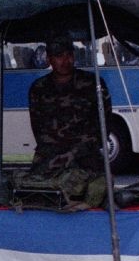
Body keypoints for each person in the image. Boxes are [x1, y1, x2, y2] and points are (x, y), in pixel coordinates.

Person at [27, 33, 112, 172]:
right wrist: (57, 155)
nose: (66, 61)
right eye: (59, 56)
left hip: (85, 155)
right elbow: (38, 127)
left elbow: (104, 124)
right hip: (51, 156)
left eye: (69, 55)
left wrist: (76, 151)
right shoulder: (39, 88)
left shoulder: (93, 83)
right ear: (49, 59)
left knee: (97, 188)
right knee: (35, 188)